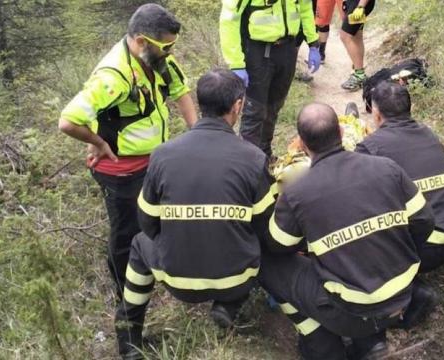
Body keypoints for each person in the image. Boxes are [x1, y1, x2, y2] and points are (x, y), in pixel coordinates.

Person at [115, 69, 277, 358]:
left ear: (200, 104)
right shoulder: (254, 158)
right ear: (238, 106)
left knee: (140, 243)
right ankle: (229, 303)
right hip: (236, 278)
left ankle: (128, 339)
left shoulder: (162, 154)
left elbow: (147, 223)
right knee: (261, 234)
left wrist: (180, 238)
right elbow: (267, 228)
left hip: (176, 281)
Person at [259, 103, 436, 360]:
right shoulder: (386, 167)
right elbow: (424, 220)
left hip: (350, 313)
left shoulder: (297, 193)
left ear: (301, 145)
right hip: (402, 295)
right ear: (341, 133)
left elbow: (278, 244)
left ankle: (321, 344)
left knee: (269, 263)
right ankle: (371, 342)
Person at [58, 4, 196, 302]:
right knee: (126, 233)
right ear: (143, 41)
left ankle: (150, 271)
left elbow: (180, 92)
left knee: (154, 220)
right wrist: (97, 141)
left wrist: (197, 134)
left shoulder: (156, 60)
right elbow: (68, 121)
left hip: (152, 162)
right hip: (120, 170)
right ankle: (126, 293)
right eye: (166, 45)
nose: (171, 51)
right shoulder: (114, 75)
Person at [356, 81, 444, 274]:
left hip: (425, 250)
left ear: (376, 114)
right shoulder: (428, 133)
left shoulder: (370, 147)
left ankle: (410, 291)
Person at [219, 0, 322, 160]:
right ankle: (249, 163)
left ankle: (265, 154)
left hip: (288, 50)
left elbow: (305, 8)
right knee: (255, 110)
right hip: (258, 52)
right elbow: (229, 19)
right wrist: (236, 63)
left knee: (274, 106)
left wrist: (313, 42)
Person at [338, 0, 376, 91]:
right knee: (356, 35)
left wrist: (360, 6)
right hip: (352, 3)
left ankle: (359, 75)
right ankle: (359, 72)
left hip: (359, 3)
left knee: (345, 35)